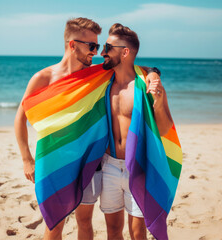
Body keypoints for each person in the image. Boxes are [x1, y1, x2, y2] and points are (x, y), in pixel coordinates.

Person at [15, 17, 160, 240]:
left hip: (90, 162)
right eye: (91, 46)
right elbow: (20, 118)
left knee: (84, 222)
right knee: (53, 224)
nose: (96, 51)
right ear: (72, 45)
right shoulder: (43, 78)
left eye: (98, 45)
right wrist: (26, 159)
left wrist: (152, 73)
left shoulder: (97, 73)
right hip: (53, 161)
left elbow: (132, 67)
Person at [100, 24, 173, 240]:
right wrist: (153, 69)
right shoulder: (102, 82)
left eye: (107, 47)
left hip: (138, 167)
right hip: (109, 165)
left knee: (137, 232)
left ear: (124, 52)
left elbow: (165, 127)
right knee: (112, 230)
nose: (103, 52)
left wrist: (158, 102)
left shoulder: (146, 85)